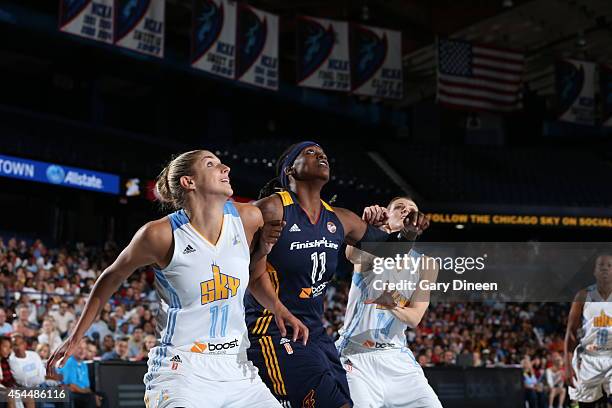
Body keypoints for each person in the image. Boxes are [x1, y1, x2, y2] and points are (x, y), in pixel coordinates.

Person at [48, 150, 307, 408]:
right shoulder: (160, 234)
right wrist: (75, 336)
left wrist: (278, 308)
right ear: (189, 182)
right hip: (181, 367)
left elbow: (255, 274)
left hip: (237, 366)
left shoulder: (248, 218)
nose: (225, 168)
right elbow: (111, 277)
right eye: (211, 164)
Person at [245, 142, 429, 408]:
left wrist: (409, 233)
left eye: (323, 154)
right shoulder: (271, 208)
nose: (320, 156)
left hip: (315, 332)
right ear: (289, 171)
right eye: (310, 153)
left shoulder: (341, 219)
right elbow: (242, 265)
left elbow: (390, 251)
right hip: (273, 328)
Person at [337, 198, 441, 407]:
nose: (406, 212)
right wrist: (370, 227)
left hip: (396, 356)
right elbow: (351, 253)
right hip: (356, 356)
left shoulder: (426, 264)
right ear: (387, 214)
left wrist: (390, 303)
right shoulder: (371, 250)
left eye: (412, 210)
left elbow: (414, 318)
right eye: (400, 208)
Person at [565, 252, 612, 407]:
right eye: (601, 265)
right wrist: (567, 366)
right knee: (586, 404)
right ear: (595, 271)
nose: (605, 269)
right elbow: (571, 333)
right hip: (588, 357)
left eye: (610, 266)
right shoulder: (583, 295)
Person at [57, 340, 105, 408]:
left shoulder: (83, 364)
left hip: (82, 393)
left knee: (103, 395)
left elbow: (87, 386)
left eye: (85, 348)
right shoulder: (68, 362)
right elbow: (72, 386)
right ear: (73, 350)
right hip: (69, 394)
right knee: (91, 398)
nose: (82, 351)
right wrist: (90, 394)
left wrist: (92, 394)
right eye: (79, 348)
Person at [9, 333, 45, 408]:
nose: (18, 347)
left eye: (20, 343)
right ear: (12, 347)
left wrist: (42, 380)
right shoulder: (11, 360)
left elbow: (42, 372)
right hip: (24, 389)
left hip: (41, 385)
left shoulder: (33, 354)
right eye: (15, 345)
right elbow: (23, 381)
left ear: (25, 344)